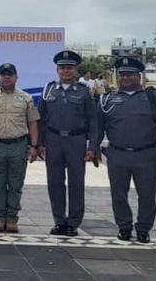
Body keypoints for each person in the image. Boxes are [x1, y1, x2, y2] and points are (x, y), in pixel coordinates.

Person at [95, 57, 156, 243]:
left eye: (130, 74)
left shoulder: (152, 97)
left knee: (147, 195)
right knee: (118, 194)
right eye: (122, 74)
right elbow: (98, 126)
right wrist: (99, 149)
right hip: (117, 154)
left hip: (146, 154)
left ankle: (143, 228)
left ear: (138, 76)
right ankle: (124, 226)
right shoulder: (108, 99)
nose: (125, 78)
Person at [37, 51, 99, 237]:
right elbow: (41, 118)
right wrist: (39, 143)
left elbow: (93, 121)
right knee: (54, 182)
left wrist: (93, 147)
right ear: (57, 70)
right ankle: (59, 220)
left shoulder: (83, 91)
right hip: (53, 140)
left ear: (75, 70)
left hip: (76, 141)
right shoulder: (48, 89)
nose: (65, 71)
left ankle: (73, 222)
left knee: (76, 183)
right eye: (62, 68)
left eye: (69, 68)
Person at [0, 63, 40, 233]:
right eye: (3, 74)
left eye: (10, 74)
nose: (6, 77)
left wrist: (34, 146)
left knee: (15, 183)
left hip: (18, 145)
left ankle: (12, 217)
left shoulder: (26, 98)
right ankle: (0, 217)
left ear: (16, 77)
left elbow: (32, 123)